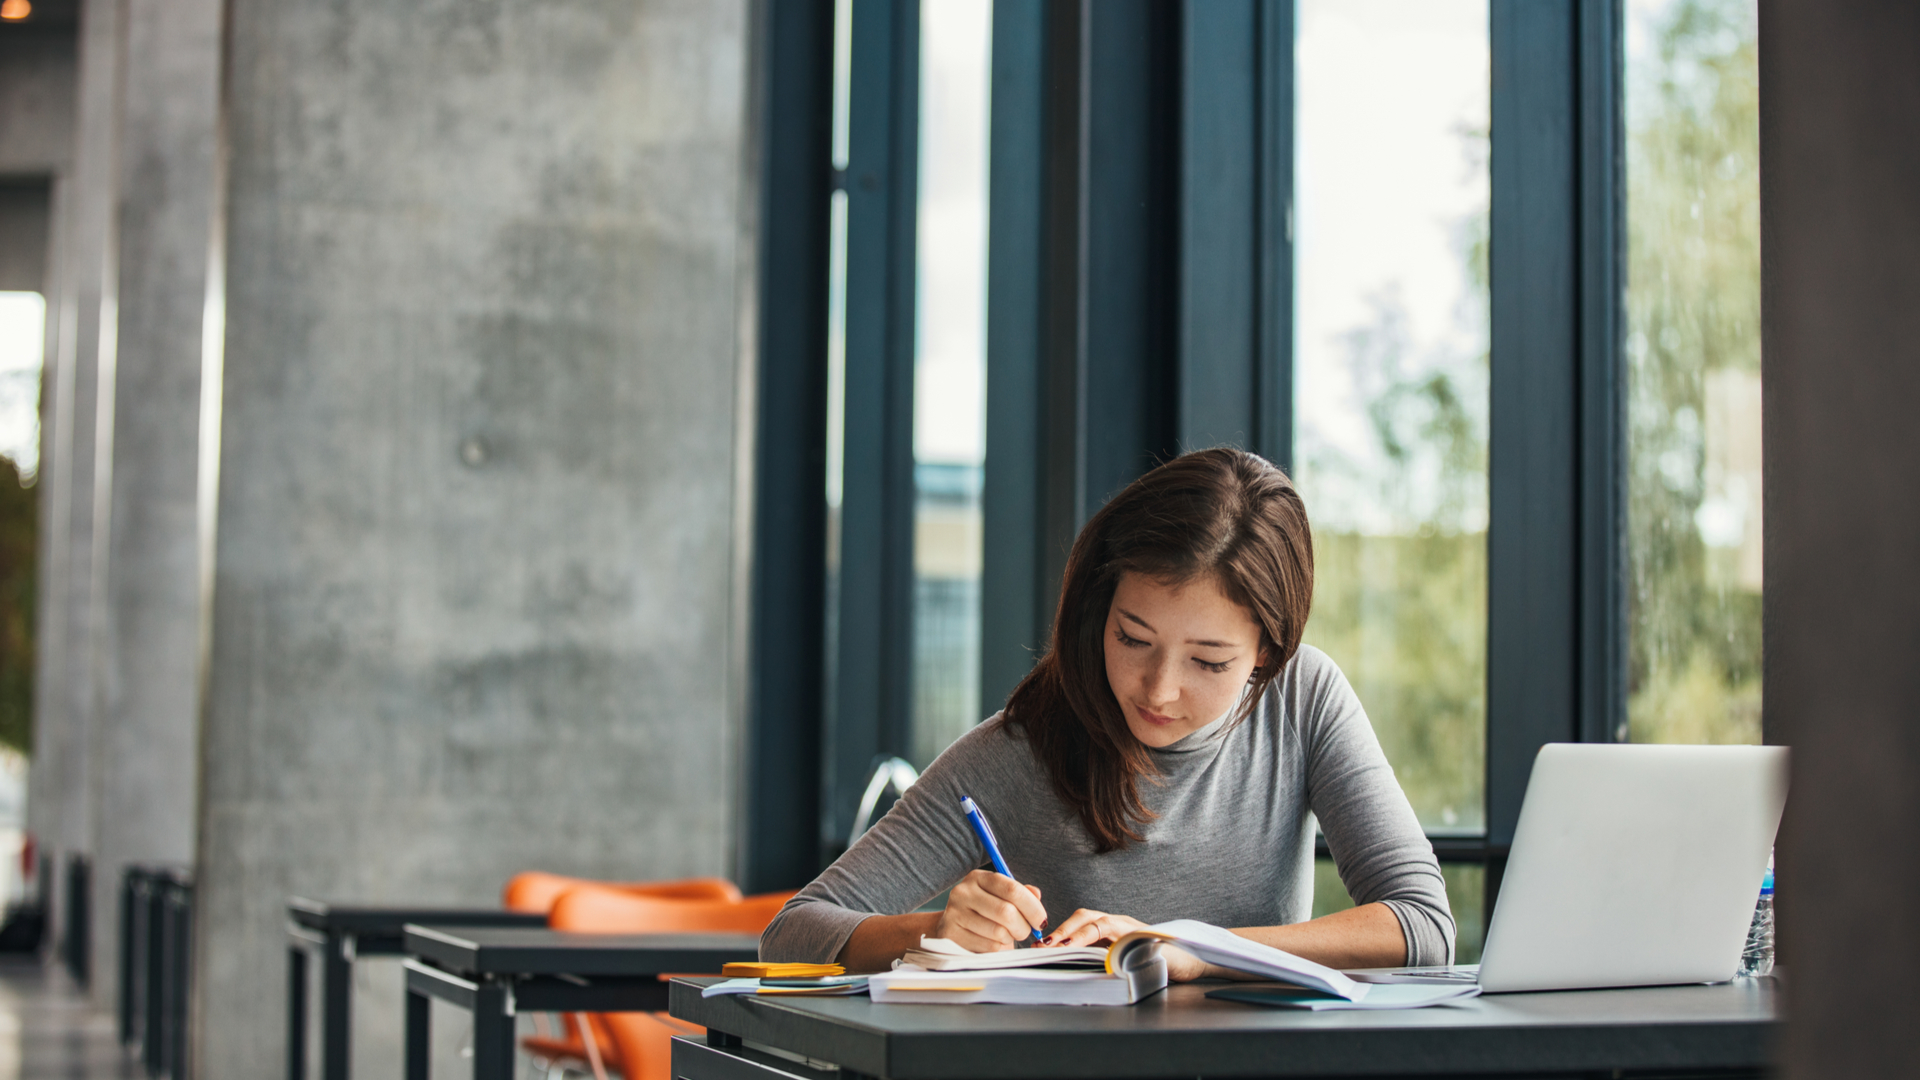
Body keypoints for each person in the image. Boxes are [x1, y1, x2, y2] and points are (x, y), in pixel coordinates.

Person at [760, 448, 1454, 980]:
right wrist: (936, 930)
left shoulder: (1303, 699)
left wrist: (1188, 947)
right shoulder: (1021, 749)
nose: (1158, 690)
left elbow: (1421, 925)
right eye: (1132, 639)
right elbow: (792, 932)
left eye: (1208, 663)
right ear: (1099, 610)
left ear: (1267, 654)